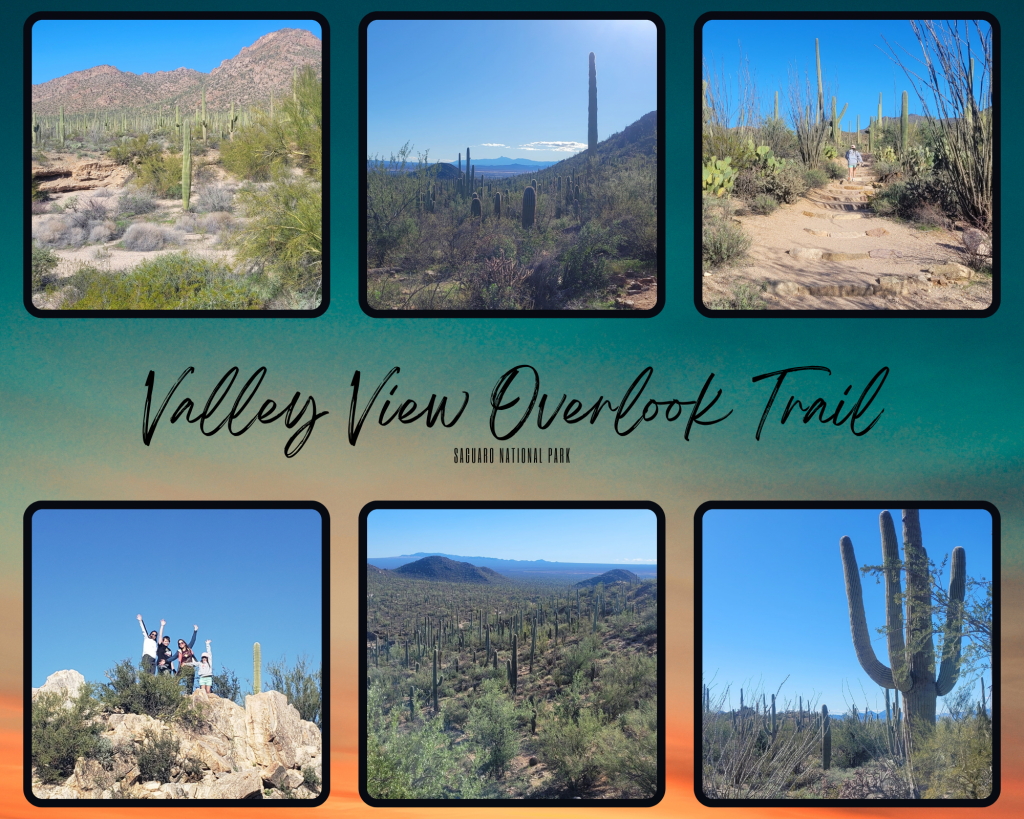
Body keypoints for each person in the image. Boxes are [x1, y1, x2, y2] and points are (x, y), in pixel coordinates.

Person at [176, 625, 200, 694]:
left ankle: (188, 694)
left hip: (190, 667)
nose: (181, 644)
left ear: (184, 643)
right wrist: (165, 660)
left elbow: (193, 640)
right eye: (179, 643)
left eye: (182, 642)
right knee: (176, 680)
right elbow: (173, 657)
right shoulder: (179, 651)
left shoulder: (189, 648)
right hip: (182, 667)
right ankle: (176, 693)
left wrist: (195, 631)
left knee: (190, 682)